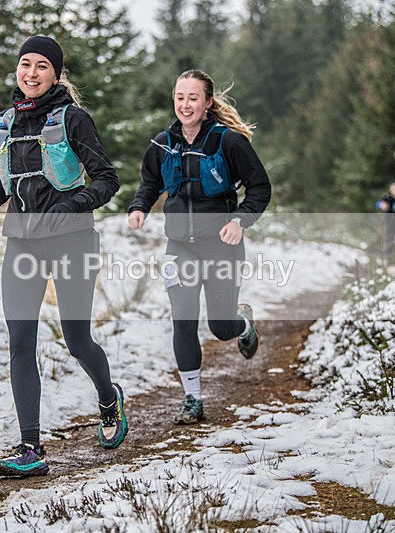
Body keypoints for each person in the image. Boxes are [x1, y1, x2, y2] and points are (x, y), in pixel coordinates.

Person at [0, 36, 127, 478]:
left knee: (77, 338)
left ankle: (108, 398)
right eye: (26, 64)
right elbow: (3, 186)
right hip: (22, 244)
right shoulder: (6, 122)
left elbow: (108, 179)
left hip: (73, 241)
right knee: (20, 342)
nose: (32, 73)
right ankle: (31, 447)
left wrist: (72, 205)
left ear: (56, 74)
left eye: (43, 66)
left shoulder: (73, 119)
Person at [127, 69, 271, 424]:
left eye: (193, 98)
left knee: (220, 327)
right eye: (180, 97)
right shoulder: (163, 143)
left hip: (221, 247)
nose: (185, 105)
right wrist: (139, 207)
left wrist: (239, 221)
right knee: (184, 321)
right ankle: (192, 400)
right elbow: (149, 181)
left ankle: (243, 325)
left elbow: (260, 189)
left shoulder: (229, 142)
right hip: (180, 247)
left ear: (208, 102)